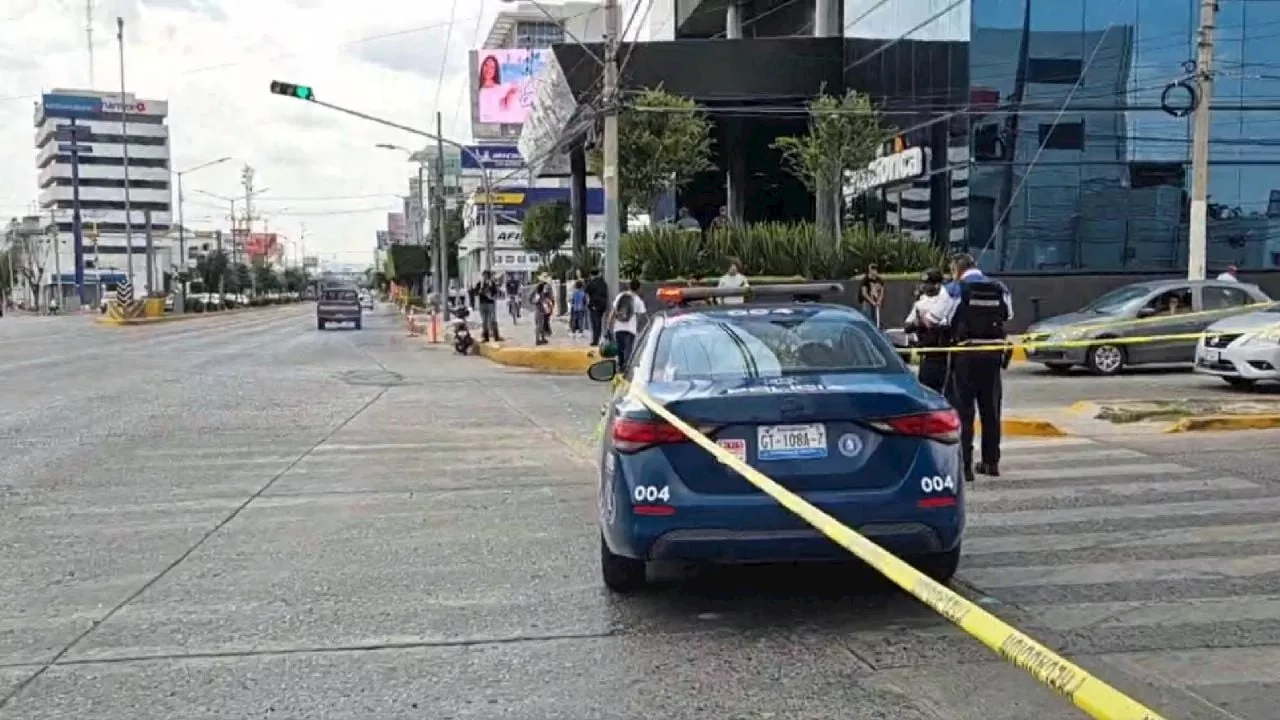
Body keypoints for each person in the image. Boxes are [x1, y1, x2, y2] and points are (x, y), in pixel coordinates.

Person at [924, 253, 1012, 483]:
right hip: (993, 356)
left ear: (956, 269)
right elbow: (1008, 315)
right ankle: (991, 462)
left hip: (965, 356)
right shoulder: (999, 287)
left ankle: (965, 467)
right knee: (991, 410)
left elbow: (935, 318)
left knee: (963, 411)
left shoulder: (954, 288)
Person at [903, 268, 949, 393]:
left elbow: (943, 325)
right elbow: (907, 325)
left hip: (942, 353)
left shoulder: (946, 299)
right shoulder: (921, 301)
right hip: (926, 352)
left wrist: (925, 321)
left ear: (937, 284)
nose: (923, 286)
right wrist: (918, 323)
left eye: (927, 283)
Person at [607, 278, 647, 370]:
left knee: (620, 348)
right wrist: (639, 328)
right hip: (630, 329)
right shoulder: (638, 300)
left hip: (618, 328)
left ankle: (621, 365)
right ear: (639, 288)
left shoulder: (620, 296)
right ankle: (626, 366)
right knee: (628, 349)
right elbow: (641, 316)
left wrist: (609, 324)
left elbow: (613, 311)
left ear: (629, 287)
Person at [473, 270, 501, 343]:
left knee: (492, 320)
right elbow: (475, 292)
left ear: (489, 276)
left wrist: (491, 295)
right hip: (482, 304)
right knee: (484, 321)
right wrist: (480, 292)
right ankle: (486, 337)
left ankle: (496, 336)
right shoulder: (480, 284)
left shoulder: (492, 283)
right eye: (484, 275)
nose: (485, 277)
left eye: (486, 276)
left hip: (491, 304)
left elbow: (496, 293)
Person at [584, 268, 610, 345]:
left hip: (594, 305)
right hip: (602, 305)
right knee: (599, 322)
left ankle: (595, 341)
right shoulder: (603, 283)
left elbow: (586, 295)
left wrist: (588, 304)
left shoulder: (591, 283)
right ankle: (598, 338)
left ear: (591, 275)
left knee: (595, 323)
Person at [531, 274, 554, 345]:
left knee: (542, 323)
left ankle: (542, 338)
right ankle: (538, 340)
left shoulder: (542, 287)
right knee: (540, 324)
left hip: (543, 308)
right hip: (541, 308)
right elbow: (549, 297)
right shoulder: (540, 287)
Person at [860, 264, 885, 328]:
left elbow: (882, 292)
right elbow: (864, 293)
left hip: (876, 300)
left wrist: (879, 300)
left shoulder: (880, 280)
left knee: (876, 318)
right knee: (867, 317)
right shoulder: (865, 280)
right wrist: (872, 302)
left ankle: (876, 329)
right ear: (870, 270)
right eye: (873, 269)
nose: (874, 271)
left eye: (875, 269)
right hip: (867, 302)